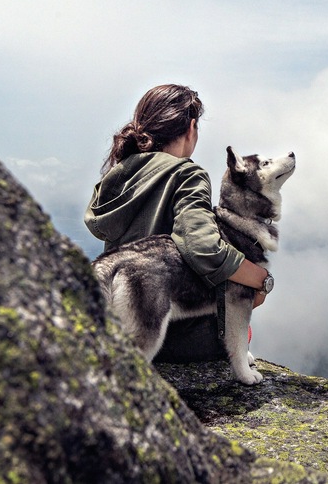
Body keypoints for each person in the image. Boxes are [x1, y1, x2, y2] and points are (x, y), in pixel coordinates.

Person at [84, 84, 271, 362]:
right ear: (192, 127)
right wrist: (261, 279)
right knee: (241, 328)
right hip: (170, 335)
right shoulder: (187, 174)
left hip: (120, 326)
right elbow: (203, 246)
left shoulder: (118, 175)